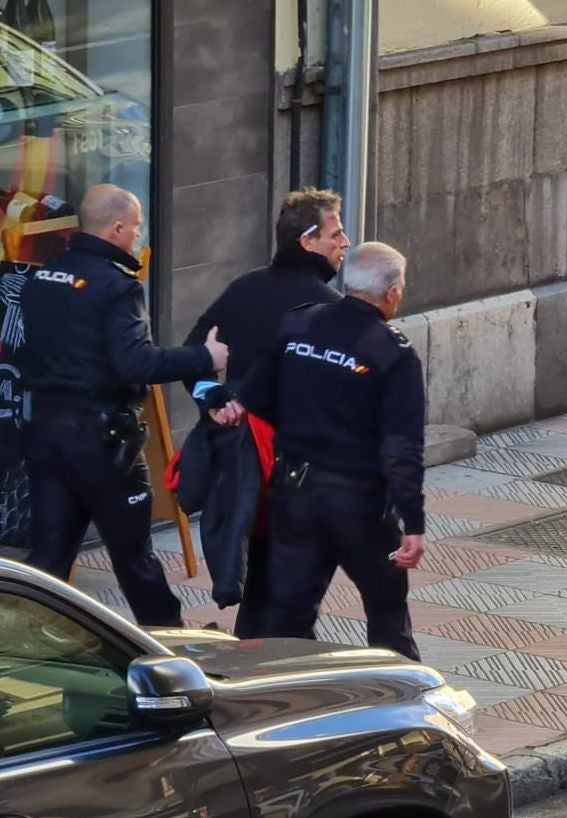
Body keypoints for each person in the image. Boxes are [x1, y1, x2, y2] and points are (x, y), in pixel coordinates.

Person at [18, 183, 228, 626]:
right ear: (115, 229)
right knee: (135, 557)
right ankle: (171, 649)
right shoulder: (118, 287)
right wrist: (205, 357)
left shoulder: (42, 274)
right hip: (101, 442)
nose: (137, 236)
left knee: (49, 557)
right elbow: (136, 363)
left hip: (45, 432)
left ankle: (30, 648)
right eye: (134, 227)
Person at [238, 241, 426, 660]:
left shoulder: (299, 325)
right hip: (358, 504)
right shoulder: (391, 352)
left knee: (286, 615)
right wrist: (413, 522)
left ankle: (277, 700)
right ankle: (407, 708)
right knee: (387, 616)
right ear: (392, 291)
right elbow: (402, 448)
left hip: (294, 496)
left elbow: (255, 396)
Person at [178, 187, 347, 636]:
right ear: (307, 242)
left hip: (245, 473)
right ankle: (273, 679)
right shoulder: (329, 310)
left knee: (267, 585)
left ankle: (256, 656)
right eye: (336, 234)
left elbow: (195, 350)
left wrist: (214, 399)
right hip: (295, 477)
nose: (345, 244)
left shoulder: (244, 288)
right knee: (293, 600)